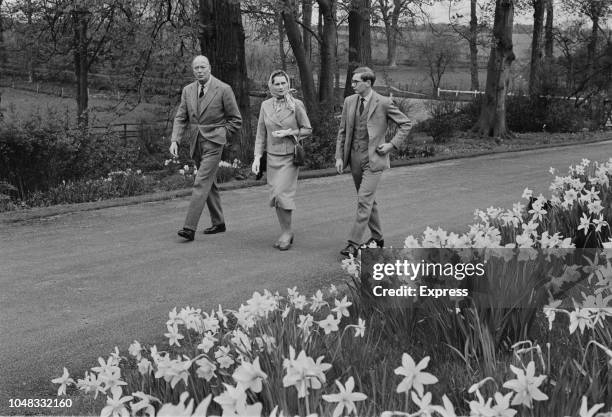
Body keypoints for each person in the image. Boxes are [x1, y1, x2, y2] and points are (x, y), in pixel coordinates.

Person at [335, 66, 412, 257]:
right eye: (352, 81)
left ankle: (353, 244)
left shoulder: (384, 102)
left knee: (363, 200)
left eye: (356, 81)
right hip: (354, 158)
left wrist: (391, 145)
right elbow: (342, 131)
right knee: (369, 201)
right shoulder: (349, 101)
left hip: (374, 159)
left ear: (368, 83)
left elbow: (406, 124)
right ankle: (377, 238)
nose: (352, 84)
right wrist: (338, 156)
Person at [170, 55, 242, 241]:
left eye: (203, 67)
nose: (200, 71)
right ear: (193, 70)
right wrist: (175, 140)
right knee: (209, 182)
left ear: (209, 68)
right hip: (195, 143)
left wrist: (221, 135)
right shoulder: (187, 90)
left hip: (214, 143)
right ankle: (219, 222)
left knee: (201, 182)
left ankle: (189, 227)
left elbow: (236, 120)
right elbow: (180, 117)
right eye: (196, 68)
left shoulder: (224, 89)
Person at [252, 70, 312, 251]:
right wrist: (257, 157)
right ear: (270, 86)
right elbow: (260, 133)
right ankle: (286, 231)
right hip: (271, 157)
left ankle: (287, 233)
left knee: (281, 194)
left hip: (289, 157)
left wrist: (289, 132)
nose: (280, 87)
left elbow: (307, 129)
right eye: (276, 84)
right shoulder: (265, 105)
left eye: (283, 83)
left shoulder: (296, 104)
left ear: (288, 84)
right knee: (276, 197)